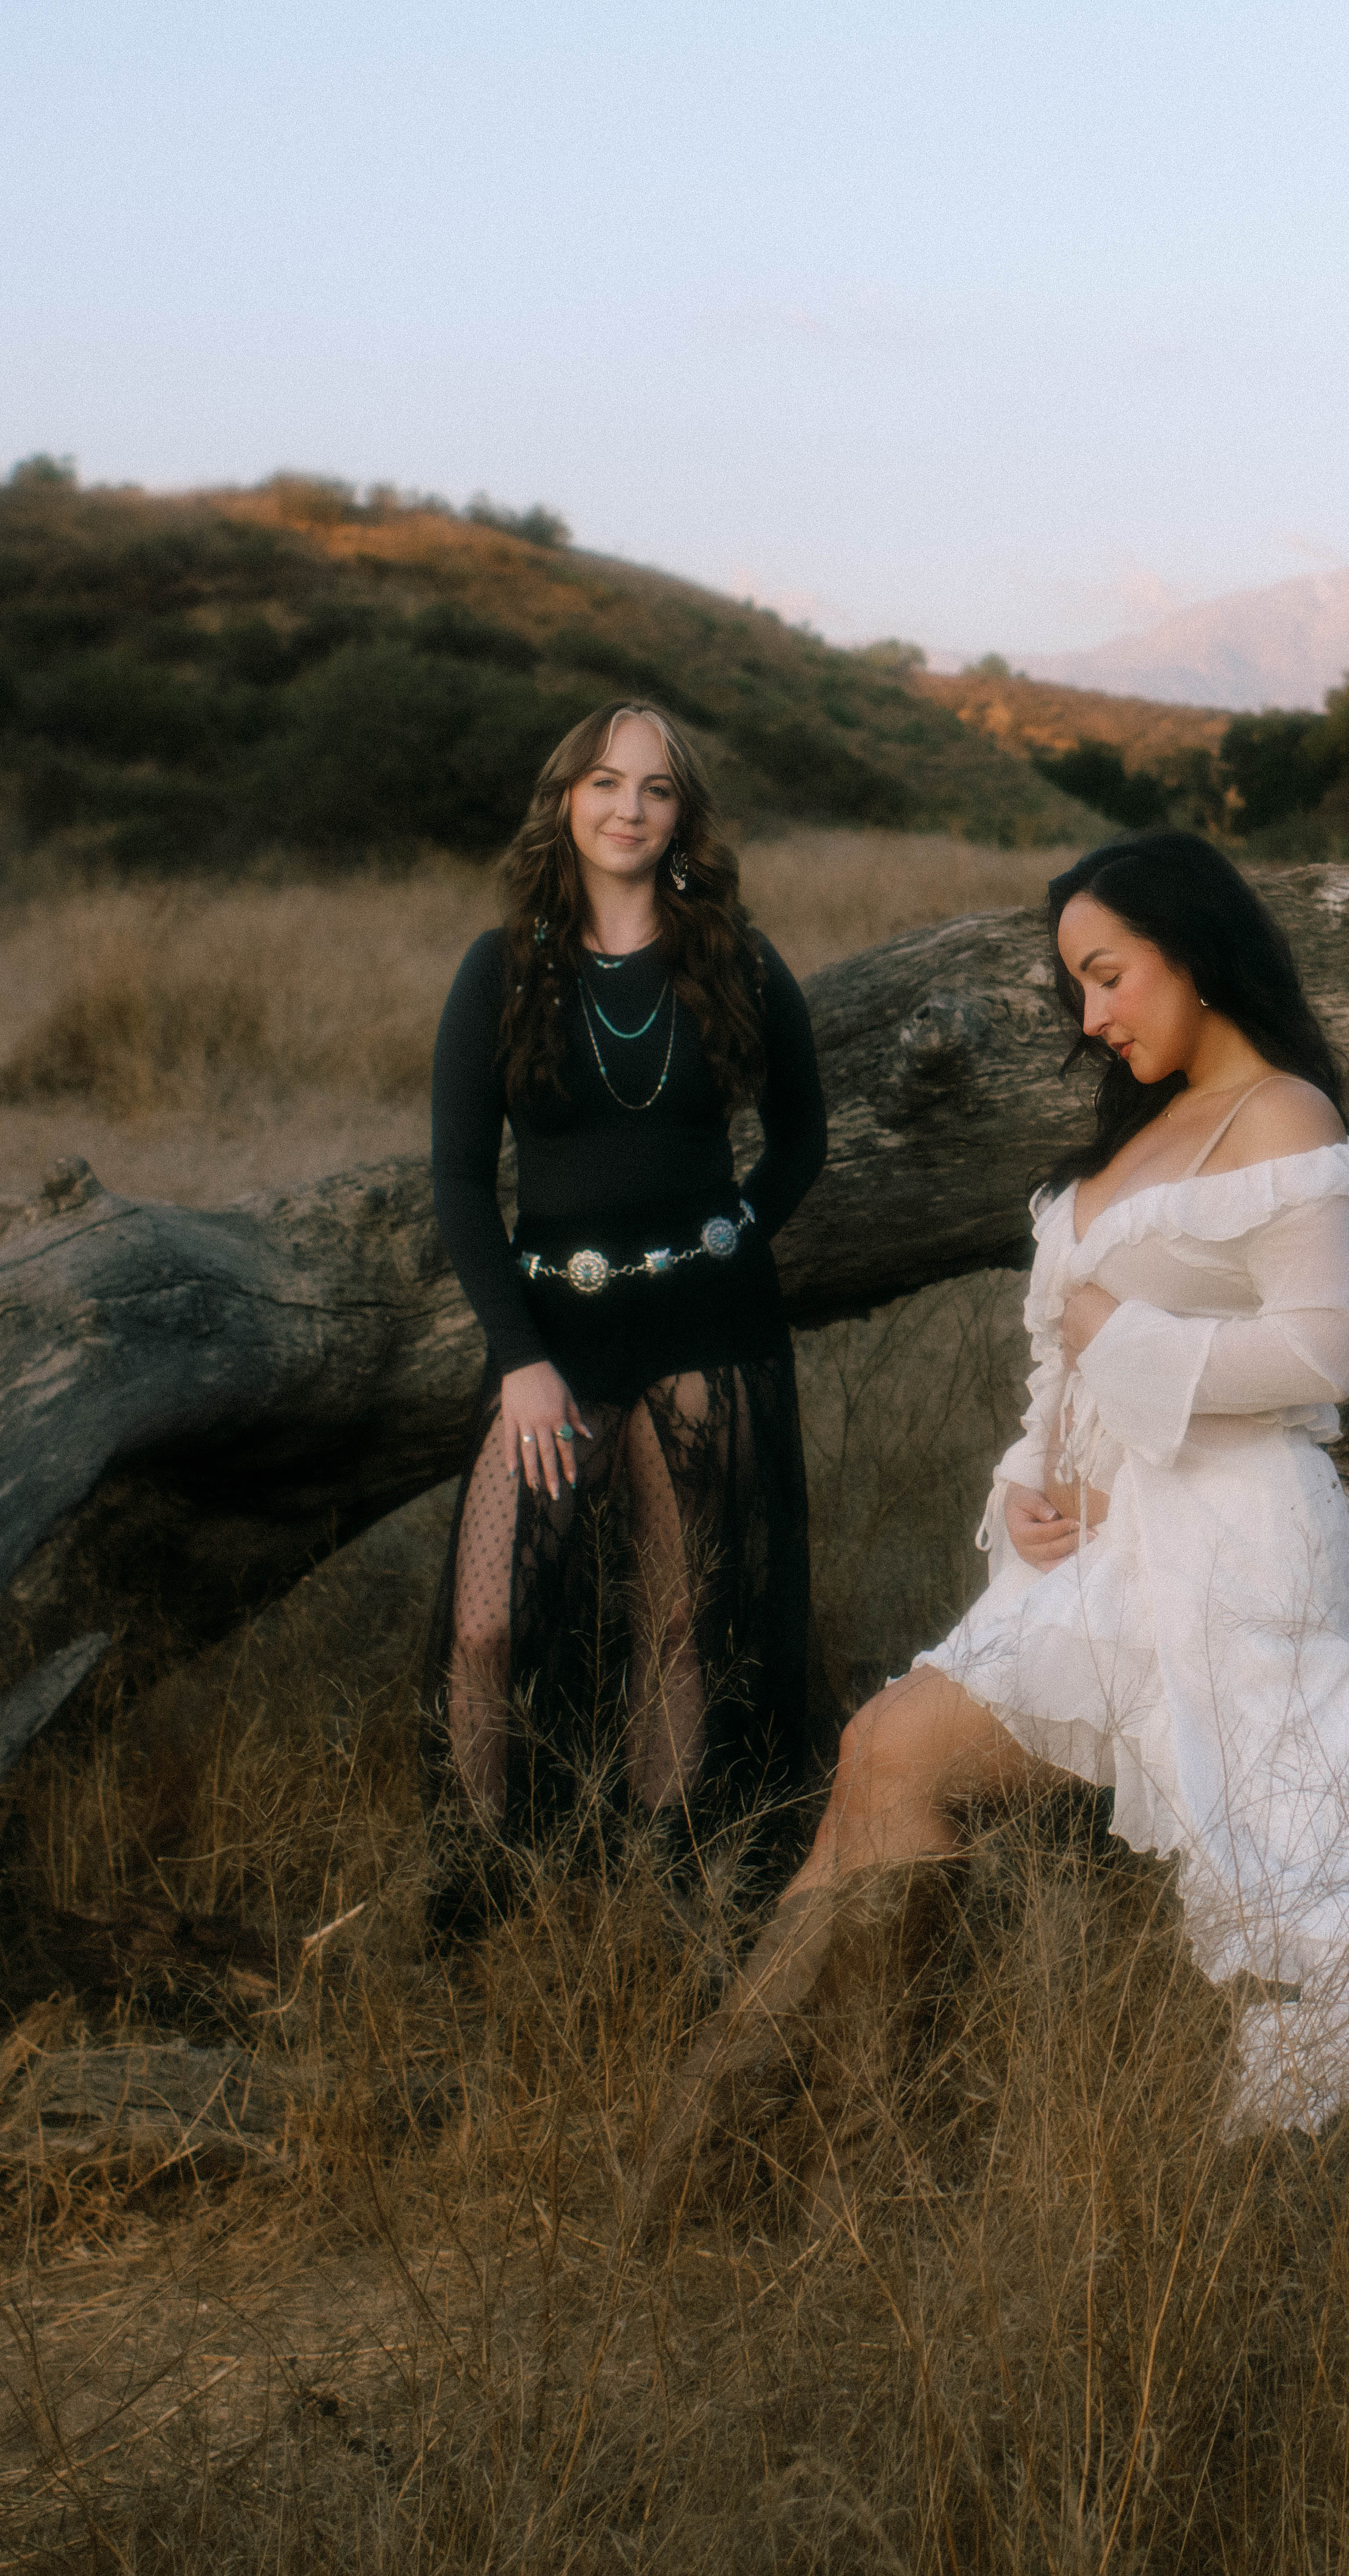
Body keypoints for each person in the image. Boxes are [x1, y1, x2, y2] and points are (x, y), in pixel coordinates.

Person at [631, 830, 1349, 2215]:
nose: (1092, 1017)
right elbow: (1058, 1368)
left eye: (1110, 977)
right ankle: (740, 2152)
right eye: (1076, 988)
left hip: (1217, 1537)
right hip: (1085, 1547)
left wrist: (1125, 1337)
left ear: (1194, 954)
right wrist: (1022, 1487)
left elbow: (1321, 1358)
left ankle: (791, 2156)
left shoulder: (1285, 1118)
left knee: (897, 1752)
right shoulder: (1131, 1131)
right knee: (875, 1761)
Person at [420, 700, 830, 1891]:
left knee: (682, 1623)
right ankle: (479, 1877)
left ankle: (675, 1872)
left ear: (683, 816)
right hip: (557, 1337)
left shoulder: (737, 959)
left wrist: (732, 1235)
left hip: (712, 1329)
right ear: (566, 800)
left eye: (655, 789)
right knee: (488, 1626)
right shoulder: (501, 968)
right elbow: (456, 1178)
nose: (628, 809)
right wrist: (518, 1357)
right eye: (605, 782)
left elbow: (802, 1141)